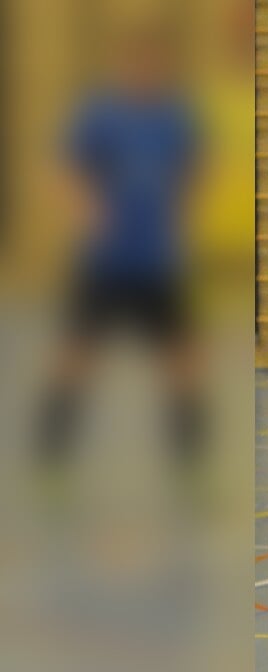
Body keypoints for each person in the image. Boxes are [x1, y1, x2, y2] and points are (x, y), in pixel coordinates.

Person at [36, 24, 202, 482]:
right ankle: (51, 461)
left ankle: (189, 467)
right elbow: (66, 169)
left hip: (158, 262)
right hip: (104, 262)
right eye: (138, 63)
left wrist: (182, 215)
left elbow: (193, 169)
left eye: (154, 64)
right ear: (124, 65)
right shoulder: (101, 116)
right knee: (75, 358)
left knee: (182, 363)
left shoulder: (174, 118)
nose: (146, 71)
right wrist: (87, 208)